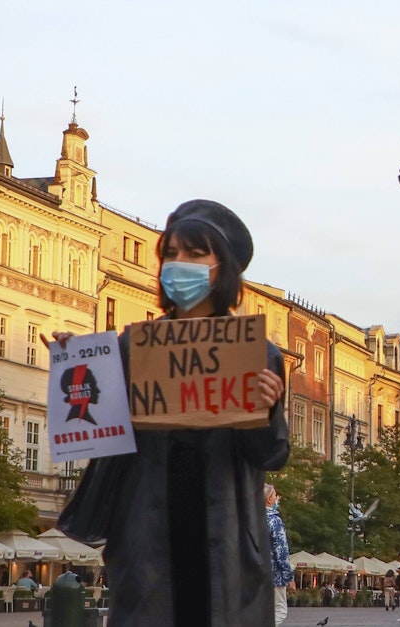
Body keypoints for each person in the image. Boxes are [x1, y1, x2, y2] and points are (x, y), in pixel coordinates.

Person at [57, 199, 291, 627]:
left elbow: (270, 455)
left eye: (195, 254)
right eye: (171, 254)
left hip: (227, 541)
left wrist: (270, 408)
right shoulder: (132, 348)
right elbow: (101, 431)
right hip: (147, 533)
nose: (178, 264)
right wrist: (82, 365)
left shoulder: (257, 353)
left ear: (224, 268)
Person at [265, 485, 293, 625]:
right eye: (275, 496)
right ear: (269, 499)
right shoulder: (274, 520)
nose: (277, 499)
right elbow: (281, 551)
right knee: (280, 610)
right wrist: (288, 576)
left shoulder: (250, 519)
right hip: (274, 574)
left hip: (253, 572)